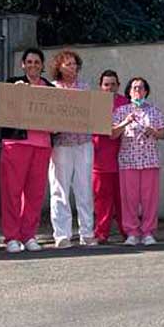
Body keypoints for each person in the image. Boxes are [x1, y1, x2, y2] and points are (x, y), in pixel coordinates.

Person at [0, 48, 55, 254]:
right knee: (12, 192)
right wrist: (17, 91)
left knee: (35, 194)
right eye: (29, 62)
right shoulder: (13, 84)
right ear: (23, 65)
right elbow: (3, 110)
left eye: (37, 62)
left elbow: (59, 116)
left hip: (42, 145)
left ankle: (28, 235)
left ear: (42, 65)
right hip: (17, 144)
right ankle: (11, 237)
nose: (33, 65)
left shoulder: (50, 88)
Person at [48, 49, 95, 248]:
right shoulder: (52, 88)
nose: (72, 67)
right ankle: (61, 234)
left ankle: (87, 233)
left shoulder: (84, 87)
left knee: (84, 189)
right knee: (60, 189)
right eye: (68, 64)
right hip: (61, 145)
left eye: (75, 64)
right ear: (59, 67)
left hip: (83, 142)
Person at [114, 77, 164, 246]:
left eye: (141, 88)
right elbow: (112, 134)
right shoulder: (121, 111)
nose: (138, 91)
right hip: (128, 160)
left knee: (149, 198)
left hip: (149, 160)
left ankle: (148, 232)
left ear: (146, 91)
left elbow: (163, 134)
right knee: (129, 198)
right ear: (129, 91)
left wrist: (153, 131)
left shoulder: (154, 111)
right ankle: (132, 232)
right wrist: (125, 122)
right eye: (134, 88)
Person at [92, 69, 129, 244]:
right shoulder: (95, 104)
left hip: (123, 159)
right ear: (101, 87)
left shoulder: (126, 103)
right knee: (102, 200)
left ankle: (127, 231)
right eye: (106, 85)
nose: (110, 88)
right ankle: (101, 233)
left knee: (124, 200)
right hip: (100, 160)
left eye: (113, 84)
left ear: (118, 85)